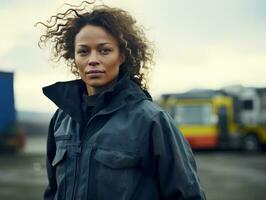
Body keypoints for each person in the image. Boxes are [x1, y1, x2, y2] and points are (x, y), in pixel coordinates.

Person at [37, 1, 206, 199]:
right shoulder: (61, 119)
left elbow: (187, 195)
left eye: (104, 50)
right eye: (83, 51)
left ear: (122, 56)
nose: (93, 59)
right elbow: (53, 192)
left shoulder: (151, 120)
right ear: (73, 57)